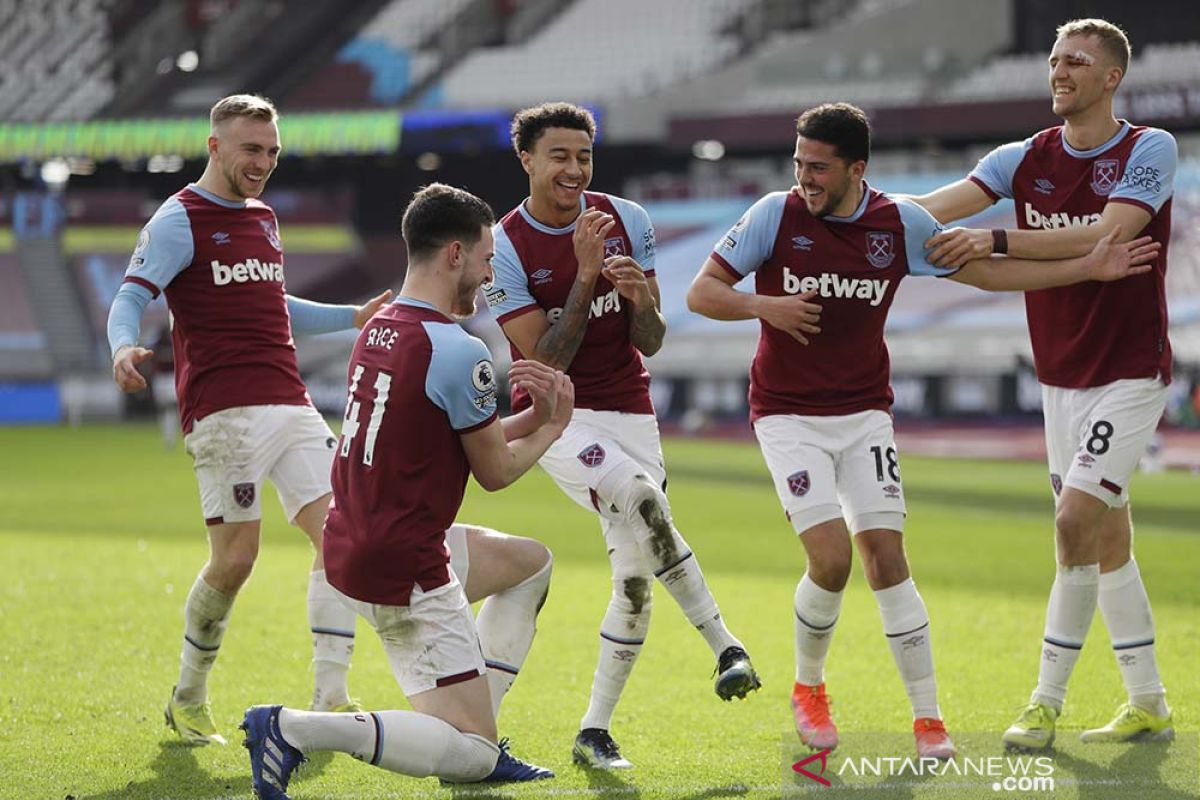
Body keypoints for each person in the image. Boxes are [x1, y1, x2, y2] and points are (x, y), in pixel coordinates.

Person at [686, 102, 1159, 758]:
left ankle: (929, 718)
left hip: (865, 414)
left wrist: (1086, 268)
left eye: (818, 168)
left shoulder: (899, 224)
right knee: (831, 558)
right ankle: (810, 687)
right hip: (787, 413)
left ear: (857, 168)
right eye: (798, 164)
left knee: (887, 557)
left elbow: (989, 273)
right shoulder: (775, 213)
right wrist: (762, 304)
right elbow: (702, 293)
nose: (805, 179)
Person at [242, 182, 574, 797]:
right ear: (454, 255)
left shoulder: (380, 328)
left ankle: (475, 723)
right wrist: (553, 426)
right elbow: (495, 472)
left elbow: (448, 432)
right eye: (485, 257)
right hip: (406, 563)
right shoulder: (459, 348)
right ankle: (294, 729)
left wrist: (532, 416)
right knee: (466, 756)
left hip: (358, 540)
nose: (488, 271)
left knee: (530, 566)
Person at [911, 18, 1176, 749]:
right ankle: (1148, 700)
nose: (1060, 71)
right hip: (1061, 376)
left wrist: (996, 236)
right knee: (1108, 536)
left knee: (1071, 525)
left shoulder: (1148, 148)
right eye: (1055, 60)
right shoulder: (1021, 157)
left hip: (1129, 370)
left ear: (1112, 76)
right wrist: (847, 217)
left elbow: (1112, 234)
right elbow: (932, 210)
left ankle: (1044, 701)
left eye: (1076, 62)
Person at [106, 94, 393, 745]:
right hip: (224, 413)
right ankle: (189, 694)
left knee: (343, 537)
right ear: (215, 146)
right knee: (236, 561)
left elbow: (271, 300)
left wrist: (351, 317)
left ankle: (331, 694)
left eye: (272, 152)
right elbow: (131, 296)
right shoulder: (180, 217)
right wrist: (122, 346)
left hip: (291, 402)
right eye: (251, 150)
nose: (263, 163)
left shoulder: (262, 218)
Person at [483, 102, 760, 769]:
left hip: (631, 409)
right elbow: (543, 361)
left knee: (635, 577)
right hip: (555, 415)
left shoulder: (629, 220)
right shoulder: (504, 246)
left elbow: (653, 341)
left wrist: (641, 303)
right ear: (526, 160)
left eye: (584, 155)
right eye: (559, 156)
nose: (575, 169)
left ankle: (594, 732)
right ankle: (726, 645)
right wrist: (583, 275)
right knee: (640, 496)